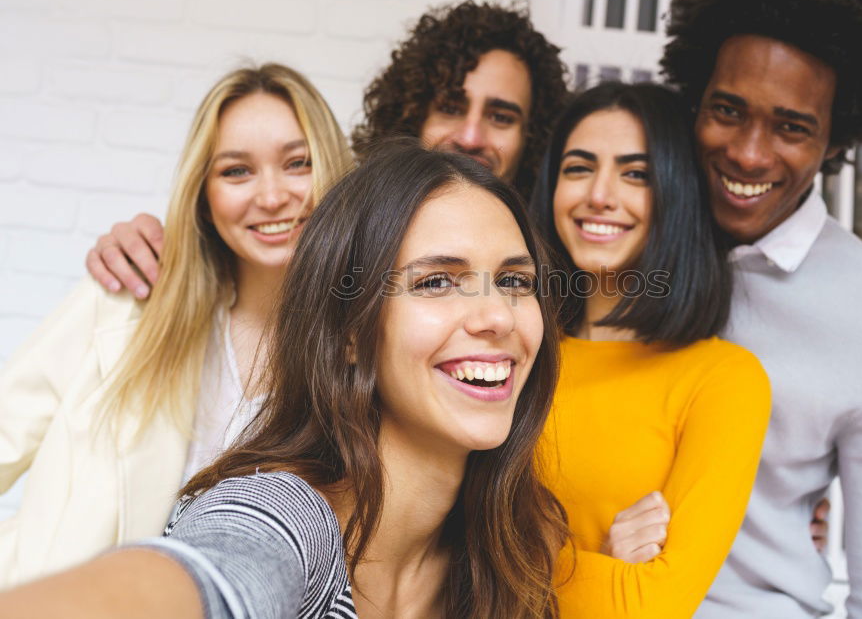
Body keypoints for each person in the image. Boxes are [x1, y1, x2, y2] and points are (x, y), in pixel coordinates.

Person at [0, 142, 568, 619]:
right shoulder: (284, 515)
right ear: (348, 332)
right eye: (437, 283)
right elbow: (221, 568)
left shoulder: (520, 542)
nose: (496, 316)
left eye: (517, 281)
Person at [659, 0, 862, 616]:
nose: (750, 153)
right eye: (728, 110)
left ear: (836, 138)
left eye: (792, 127)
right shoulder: (615, 244)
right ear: (694, 101)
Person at [0, 63, 354, 588]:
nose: (273, 195)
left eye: (298, 163)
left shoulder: (365, 349)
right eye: (237, 171)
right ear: (204, 197)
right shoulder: (123, 303)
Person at [85, 0, 569, 298]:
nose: (470, 135)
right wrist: (144, 243)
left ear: (533, 136)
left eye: (501, 116)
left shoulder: (554, 261)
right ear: (411, 114)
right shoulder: (346, 225)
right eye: (449, 107)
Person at [530, 81, 771, 618]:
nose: (599, 194)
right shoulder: (512, 351)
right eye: (578, 167)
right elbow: (423, 554)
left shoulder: (723, 380)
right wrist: (601, 566)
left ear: (676, 195)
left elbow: (653, 605)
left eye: (636, 174)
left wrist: (509, 554)